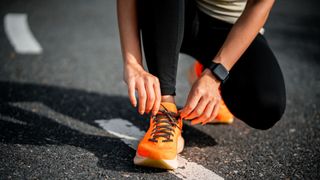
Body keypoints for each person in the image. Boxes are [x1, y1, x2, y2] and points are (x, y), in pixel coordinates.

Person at [117, 0, 286, 169]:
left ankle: (205, 72)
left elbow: (261, 5)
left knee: (266, 105)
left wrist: (215, 74)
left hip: (232, 30)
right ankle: (165, 110)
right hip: (173, 15)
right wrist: (132, 63)